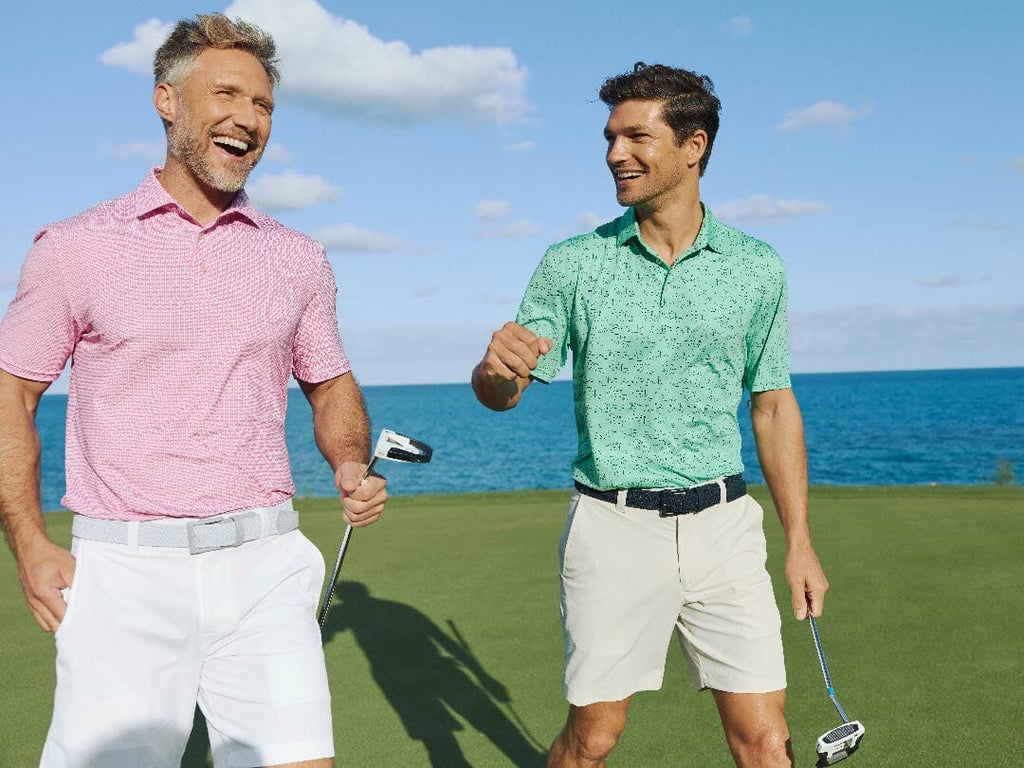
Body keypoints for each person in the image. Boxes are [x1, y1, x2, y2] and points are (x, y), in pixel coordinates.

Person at [0, 13, 386, 768]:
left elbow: (330, 381)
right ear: (167, 101)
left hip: (266, 562)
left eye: (265, 105)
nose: (249, 118)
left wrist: (347, 459)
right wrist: (28, 542)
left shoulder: (297, 258)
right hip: (124, 573)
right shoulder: (75, 248)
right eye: (228, 94)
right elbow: (11, 397)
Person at [472, 63, 828, 768]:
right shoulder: (575, 263)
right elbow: (503, 391)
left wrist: (800, 542)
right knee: (593, 739)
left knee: (766, 739)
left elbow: (773, 402)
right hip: (614, 527)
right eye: (609, 138)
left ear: (693, 146)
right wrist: (495, 370)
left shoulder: (758, 267)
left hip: (725, 527)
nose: (614, 154)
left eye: (636, 136)